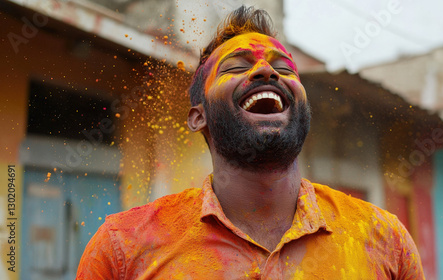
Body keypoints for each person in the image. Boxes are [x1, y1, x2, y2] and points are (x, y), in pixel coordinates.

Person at [76, 6, 425, 279]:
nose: (266, 72)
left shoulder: (383, 239)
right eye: (234, 68)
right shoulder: (122, 248)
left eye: (284, 68)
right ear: (199, 117)